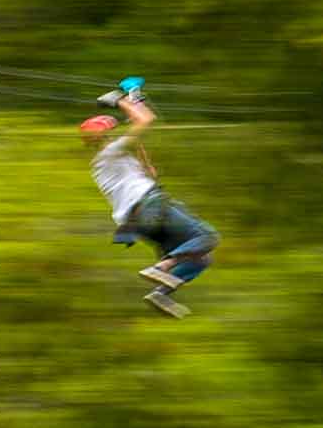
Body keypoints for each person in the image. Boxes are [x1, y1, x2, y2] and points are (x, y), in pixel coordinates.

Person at [82, 86, 221, 318]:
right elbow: (146, 120)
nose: (115, 136)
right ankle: (162, 267)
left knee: (202, 258)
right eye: (110, 133)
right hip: (150, 207)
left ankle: (161, 292)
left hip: (136, 223)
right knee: (208, 237)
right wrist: (122, 100)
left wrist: (136, 108)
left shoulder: (106, 163)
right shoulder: (111, 152)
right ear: (104, 136)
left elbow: (148, 168)